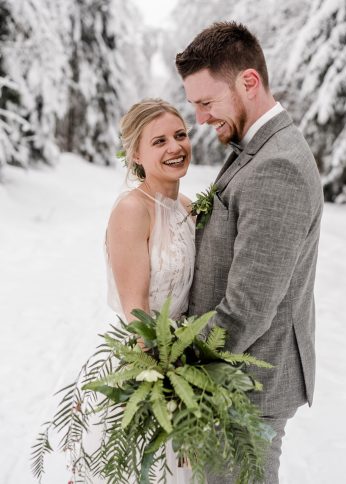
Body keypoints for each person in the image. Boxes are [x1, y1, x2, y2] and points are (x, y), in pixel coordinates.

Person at [175, 21, 324, 484]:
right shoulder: (256, 148)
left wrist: (179, 366)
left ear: (249, 82)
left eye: (206, 103)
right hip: (231, 378)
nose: (199, 119)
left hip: (247, 388)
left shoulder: (277, 165)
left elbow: (248, 307)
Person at [105, 98, 195, 484]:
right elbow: (136, 310)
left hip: (188, 360)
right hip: (147, 365)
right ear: (136, 154)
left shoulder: (189, 207)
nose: (175, 147)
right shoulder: (132, 210)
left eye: (180, 135)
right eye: (159, 141)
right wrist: (164, 382)